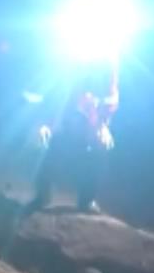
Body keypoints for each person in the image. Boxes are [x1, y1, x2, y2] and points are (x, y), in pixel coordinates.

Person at [28, 57, 119, 213]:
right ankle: (42, 195)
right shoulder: (63, 67)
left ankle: (87, 200)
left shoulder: (107, 66)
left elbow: (110, 102)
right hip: (63, 128)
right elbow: (49, 100)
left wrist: (102, 126)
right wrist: (43, 125)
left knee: (102, 145)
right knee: (40, 139)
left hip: (88, 129)